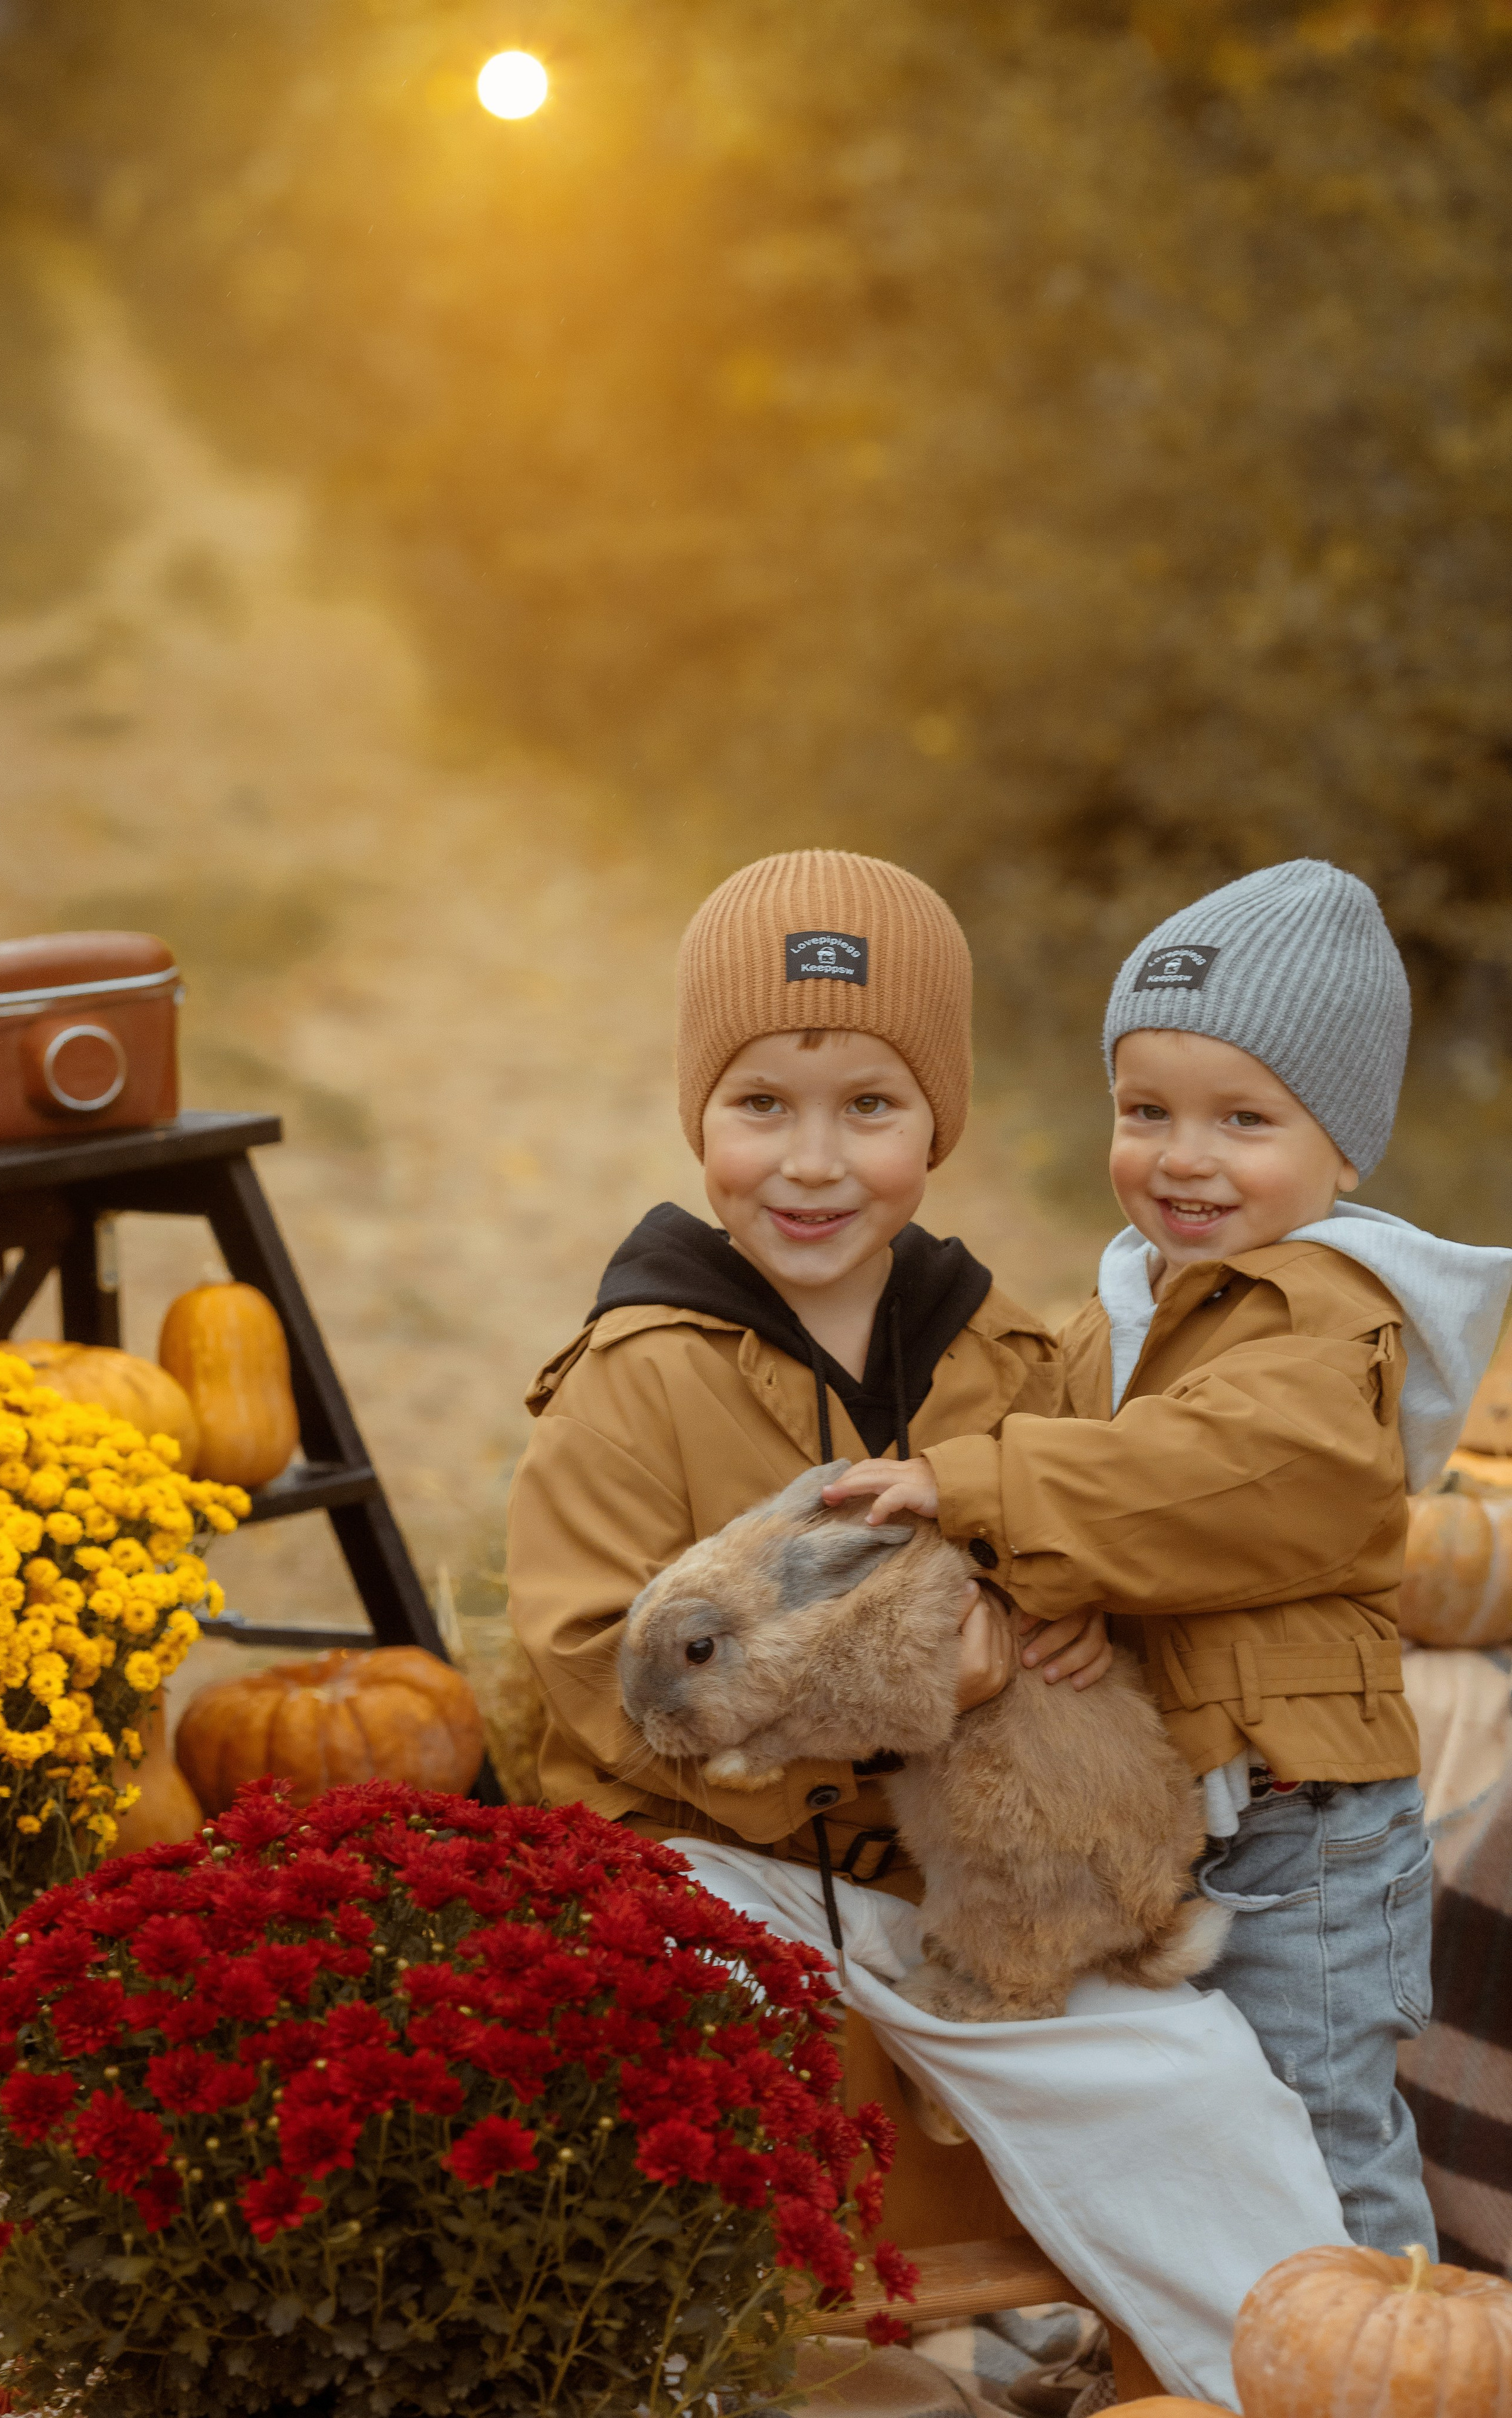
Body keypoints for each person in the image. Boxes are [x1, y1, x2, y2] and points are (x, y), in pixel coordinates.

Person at [508, 848, 1352, 2407]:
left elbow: (1070, 1550)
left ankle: (1287, 2375)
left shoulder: (1002, 1352)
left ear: (937, 1122)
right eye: (761, 1105)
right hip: (717, 1853)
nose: (812, 1163)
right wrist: (894, 1701)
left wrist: (1069, 1631)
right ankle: (721, 2368)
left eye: (869, 1109)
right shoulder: (636, 1374)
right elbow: (591, 1669)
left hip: (960, 1873)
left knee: (1183, 2079)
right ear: (698, 1114)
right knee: (707, 2078)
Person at [828, 856, 1512, 2265]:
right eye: (1145, 1112)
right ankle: (1176, 2340)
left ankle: (1386, 2354)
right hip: (1185, 1811)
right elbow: (1070, 1469)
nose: (1181, 1157)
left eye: (1240, 1120)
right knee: (1181, 2123)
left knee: (1315, 2123)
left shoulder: (1332, 1327)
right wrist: (1032, 1588)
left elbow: (1208, 1474)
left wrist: (974, 1490)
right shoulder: (1127, 1307)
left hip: (1305, 1827)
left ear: (1342, 1151)